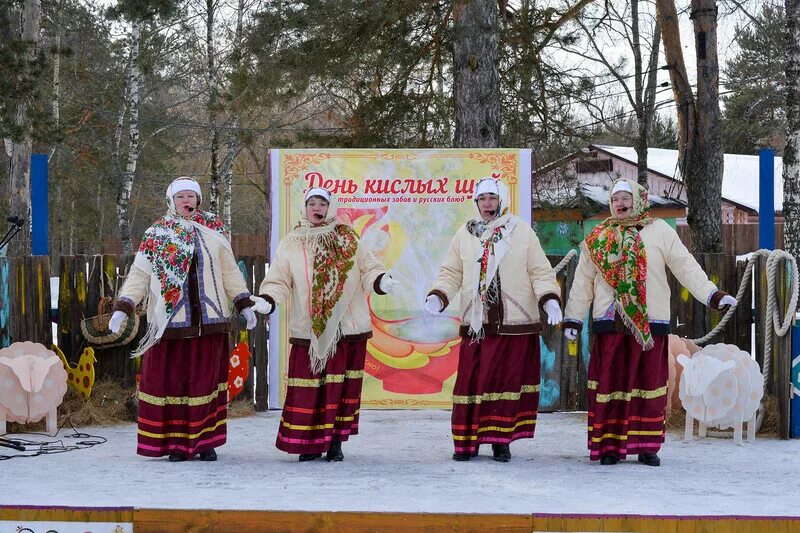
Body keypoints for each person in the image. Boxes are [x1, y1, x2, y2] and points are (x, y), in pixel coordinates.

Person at [562, 179, 737, 467]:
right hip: (610, 323)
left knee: (648, 385)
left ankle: (646, 446)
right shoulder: (598, 236)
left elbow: (685, 266)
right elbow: (583, 282)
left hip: (649, 324)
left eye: (626, 198)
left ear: (639, 200)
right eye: (615, 199)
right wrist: (573, 317)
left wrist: (712, 295)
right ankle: (610, 447)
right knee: (612, 385)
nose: (620, 204)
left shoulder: (660, 232)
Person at [109, 177, 268, 462]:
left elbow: (229, 271)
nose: (186, 201)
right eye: (181, 196)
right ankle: (177, 444)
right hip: (171, 324)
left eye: (191, 196)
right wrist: (124, 306)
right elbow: (140, 274)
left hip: (209, 322)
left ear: (198, 200)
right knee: (174, 385)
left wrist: (243, 303)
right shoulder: (158, 233)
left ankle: (205, 442)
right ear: (171, 201)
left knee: (205, 384)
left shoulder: (214, 230)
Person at [425, 177, 563, 462]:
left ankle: (501, 441)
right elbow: (452, 272)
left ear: (503, 201)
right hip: (477, 324)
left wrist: (549, 297)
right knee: (471, 383)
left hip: (514, 324)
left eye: (492, 198)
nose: (487, 204)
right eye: (482, 198)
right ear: (476, 202)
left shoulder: (521, 232)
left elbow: (539, 270)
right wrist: (439, 295)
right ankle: (467, 443)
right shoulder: (466, 234)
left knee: (505, 383)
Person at [255, 187, 398, 462]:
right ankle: (308, 444)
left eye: (322, 203)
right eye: (312, 203)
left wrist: (381, 281)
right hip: (309, 330)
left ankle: (335, 442)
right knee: (309, 390)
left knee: (339, 389)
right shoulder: (292, 243)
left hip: (347, 329)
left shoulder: (348, 239)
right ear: (305, 207)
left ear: (330, 208)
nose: (317, 208)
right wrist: (268, 299)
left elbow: (369, 268)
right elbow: (279, 280)